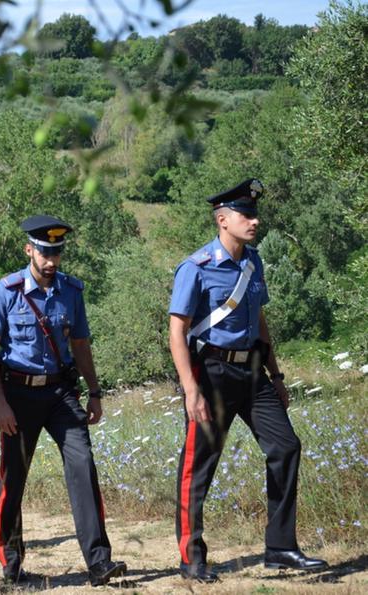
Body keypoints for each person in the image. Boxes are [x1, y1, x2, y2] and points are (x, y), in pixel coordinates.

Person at [169, 179, 327, 582]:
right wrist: (191, 390)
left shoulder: (252, 262)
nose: (254, 221)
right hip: (213, 373)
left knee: (286, 447)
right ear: (223, 220)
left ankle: (280, 547)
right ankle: (192, 558)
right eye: (246, 214)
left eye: (255, 214)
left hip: (254, 371)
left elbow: (259, 321)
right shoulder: (197, 267)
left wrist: (276, 375)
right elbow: (177, 331)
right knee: (199, 466)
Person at [0, 215, 127, 587]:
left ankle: (98, 562)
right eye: (44, 252)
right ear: (29, 250)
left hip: (61, 393)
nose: (50, 260)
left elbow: (80, 345)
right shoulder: (6, 292)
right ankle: (11, 566)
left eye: (56, 252)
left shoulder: (71, 292)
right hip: (17, 394)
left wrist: (94, 392)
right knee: (13, 478)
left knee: (83, 466)